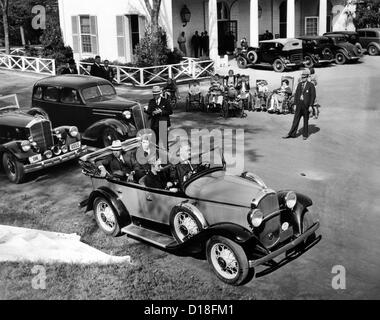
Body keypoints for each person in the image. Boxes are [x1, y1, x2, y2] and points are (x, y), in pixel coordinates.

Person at [283, 69, 316, 140]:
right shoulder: (299, 84)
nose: (302, 78)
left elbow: (313, 96)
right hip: (299, 105)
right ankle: (291, 133)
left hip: (306, 106)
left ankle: (305, 134)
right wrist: (295, 104)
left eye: (304, 77)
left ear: (307, 77)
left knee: (305, 121)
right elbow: (297, 95)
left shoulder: (311, 85)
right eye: (302, 77)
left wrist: (311, 106)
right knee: (295, 120)